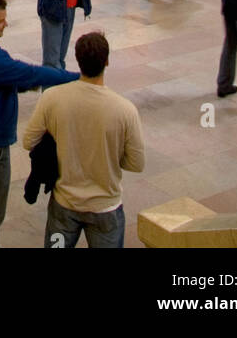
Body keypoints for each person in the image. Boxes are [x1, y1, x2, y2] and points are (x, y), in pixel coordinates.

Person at [0, 0, 77, 248]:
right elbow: (28, 73)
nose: (5, 24)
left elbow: (8, 80)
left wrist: (19, 84)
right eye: (0, 21)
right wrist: (73, 77)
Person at [22, 32, 145, 249]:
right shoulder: (125, 110)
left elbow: (28, 141)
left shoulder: (52, 98)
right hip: (106, 207)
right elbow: (136, 163)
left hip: (64, 204)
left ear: (77, 60)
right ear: (107, 61)